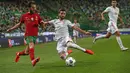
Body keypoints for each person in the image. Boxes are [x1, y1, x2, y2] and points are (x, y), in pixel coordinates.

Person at [7, 1, 43, 66]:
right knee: (31, 45)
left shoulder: (37, 15)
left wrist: (42, 24)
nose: (34, 9)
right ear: (29, 8)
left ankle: (18, 54)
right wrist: (11, 29)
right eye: (32, 7)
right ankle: (33, 60)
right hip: (28, 35)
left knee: (27, 52)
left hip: (35, 35)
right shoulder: (24, 16)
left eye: (35, 7)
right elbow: (19, 24)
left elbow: (42, 24)